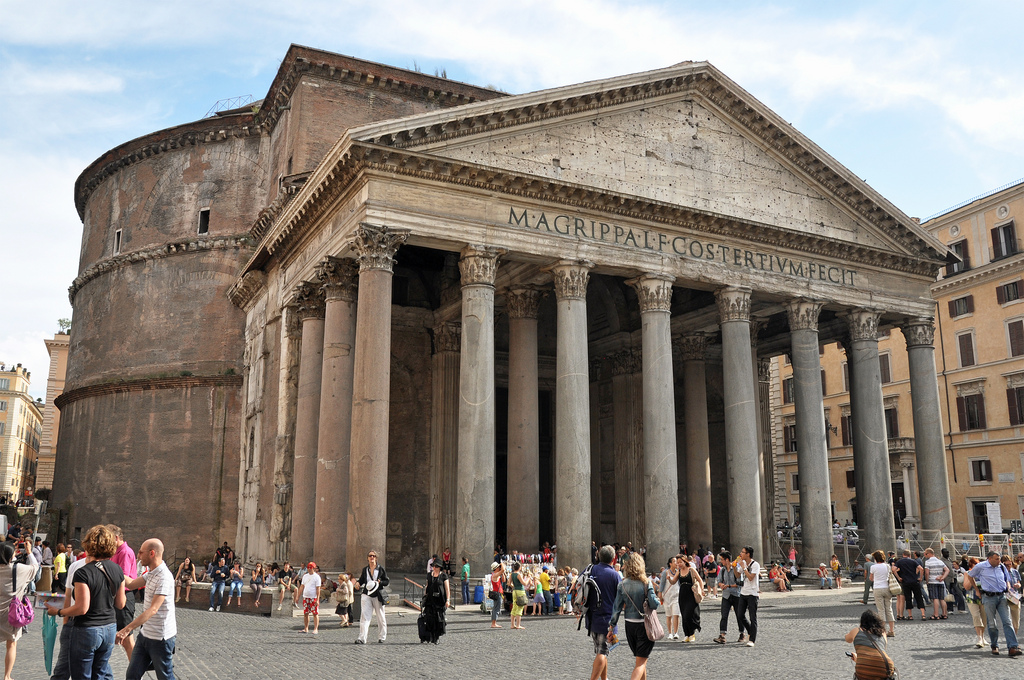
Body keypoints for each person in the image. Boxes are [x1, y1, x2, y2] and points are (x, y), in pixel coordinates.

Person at [45, 525, 127, 680]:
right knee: (100, 674)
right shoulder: (117, 569)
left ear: (89, 544)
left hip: (88, 629)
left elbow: (82, 608)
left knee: (82, 675)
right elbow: (121, 603)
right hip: (109, 628)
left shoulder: (82, 572)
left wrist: (58, 612)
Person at [116, 538, 176, 680]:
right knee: (132, 675)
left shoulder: (164, 577)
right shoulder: (151, 573)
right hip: (145, 635)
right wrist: (113, 570)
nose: (138, 555)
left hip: (161, 638)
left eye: (141, 552)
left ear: (152, 553)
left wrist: (126, 629)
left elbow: (153, 610)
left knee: (165, 677)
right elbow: (130, 584)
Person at [608, 554, 660, 680]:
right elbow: (654, 604)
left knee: (640, 660)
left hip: (629, 625)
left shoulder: (622, 584)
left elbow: (617, 608)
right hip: (644, 624)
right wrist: (656, 599)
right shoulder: (646, 583)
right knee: (641, 663)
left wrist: (611, 627)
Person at [968, 550, 1020, 656]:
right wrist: (977, 590)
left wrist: (1009, 589)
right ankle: (994, 645)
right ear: (989, 558)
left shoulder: (1001, 566)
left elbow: (1007, 579)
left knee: (1007, 622)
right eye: (996, 559)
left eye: (999, 559)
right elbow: (970, 575)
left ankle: (1012, 647)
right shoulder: (981, 566)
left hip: (1002, 596)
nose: (999, 561)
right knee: (992, 623)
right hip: (988, 597)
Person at [585, 545, 621, 680]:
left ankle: (604, 679)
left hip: (591, 618)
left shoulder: (590, 569)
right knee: (602, 652)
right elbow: (620, 597)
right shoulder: (614, 575)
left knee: (602, 650)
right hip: (607, 619)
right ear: (613, 558)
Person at [0, 543, 35, 680]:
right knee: (11, 643)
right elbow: (35, 567)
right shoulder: (18, 569)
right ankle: (7, 676)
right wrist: (29, 552)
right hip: (11, 613)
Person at [107, 525, 138, 661]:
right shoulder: (116, 552)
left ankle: (136, 672)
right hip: (116, 594)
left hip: (124, 596)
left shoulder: (125, 552)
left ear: (116, 538)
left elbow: (122, 577)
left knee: (127, 637)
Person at [844, 609, 895, 680]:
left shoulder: (857, 630)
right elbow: (881, 651)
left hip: (864, 664)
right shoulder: (883, 632)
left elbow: (847, 639)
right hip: (886, 665)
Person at [354, 550, 389, 644]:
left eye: (373, 556)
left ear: (376, 558)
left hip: (378, 595)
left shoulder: (380, 569)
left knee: (380, 617)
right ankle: (362, 638)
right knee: (364, 616)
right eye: (370, 556)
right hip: (367, 594)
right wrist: (358, 583)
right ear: (367, 558)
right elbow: (362, 579)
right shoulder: (365, 569)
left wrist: (380, 582)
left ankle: (382, 637)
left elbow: (386, 581)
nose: (371, 557)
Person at [673, 551, 704, 642]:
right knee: (683, 614)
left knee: (689, 614)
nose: (678, 564)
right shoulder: (678, 571)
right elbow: (673, 582)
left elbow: (700, 580)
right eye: (677, 562)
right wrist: (668, 578)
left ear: (685, 561)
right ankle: (687, 634)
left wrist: (701, 590)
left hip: (691, 594)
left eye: (680, 562)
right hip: (682, 595)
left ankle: (692, 633)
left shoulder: (691, 570)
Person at [714, 550, 744, 644]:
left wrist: (729, 586)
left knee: (739, 615)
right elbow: (718, 580)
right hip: (726, 595)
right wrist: (721, 584)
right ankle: (722, 635)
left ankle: (742, 633)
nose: (721, 561)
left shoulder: (737, 568)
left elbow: (740, 583)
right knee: (724, 615)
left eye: (722, 559)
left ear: (727, 560)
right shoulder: (722, 570)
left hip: (736, 595)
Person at [733, 546, 759, 647]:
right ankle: (750, 631)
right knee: (740, 615)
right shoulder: (742, 563)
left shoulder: (755, 564)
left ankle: (752, 640)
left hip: (752, 593)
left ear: (748, 554)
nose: (741, 554)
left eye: (743, 552)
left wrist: (744, 567)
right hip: (743, 593)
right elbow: (737, 575)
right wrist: (734, 567)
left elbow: (751, 578)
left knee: (753, 617)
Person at [419, 560, 450, 643]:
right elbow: (427, 586)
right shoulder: (429, 575)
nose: (434, 568)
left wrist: (448, 600)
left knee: (438, 619)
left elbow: (447, 589)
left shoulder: (444, 576)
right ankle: (431, 636)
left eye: (436, 566)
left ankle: (436, 637)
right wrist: (424, 598)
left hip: (439, 601)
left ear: (439, 568)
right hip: (430, 600)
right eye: (433, 566)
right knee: (429, 618)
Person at [869, 549, 895, 637]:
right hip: (887, 588)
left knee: (881, 610)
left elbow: (871, 578)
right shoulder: (887, 566)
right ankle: (891, 630)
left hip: (877, 588)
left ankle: (882, 630)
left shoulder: (873, 567)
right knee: (889, 609)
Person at [962, 556, 988, 648]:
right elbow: (966, 587)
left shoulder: (983, 573)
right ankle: (979, 638)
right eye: (975, 564)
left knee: (984, 618)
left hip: (984, 598)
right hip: (972, 598)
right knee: (976, 616)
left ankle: (983, 636)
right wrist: (971, 578)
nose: (977, 566)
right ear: (971, 565)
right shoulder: (967, 573)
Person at [893, 549, 925, 621]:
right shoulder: (913, 561)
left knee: (908, 598)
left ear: (903, 555)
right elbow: (921, 569)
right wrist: (920, 577)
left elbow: (893, 569)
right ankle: (923, 614)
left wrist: (898, 577)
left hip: (905, 582)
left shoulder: (899, 562)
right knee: (919, 597)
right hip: (914, 581)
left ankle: (910, 616)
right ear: (909, 555)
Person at [921, 548, 949, 620]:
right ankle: (944, 614)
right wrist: (943, 577)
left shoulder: (928, 562)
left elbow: (927, 573)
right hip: (941, 582)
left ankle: (936, 614)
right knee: (942, 598)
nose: (925, 555)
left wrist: (927, 581)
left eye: (925, 554)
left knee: (935, 598)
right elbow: (947, 570)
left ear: (929, 553)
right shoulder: (940, 561)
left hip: (932, 581)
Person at [660, 557, 680, 640]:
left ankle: (676, 632)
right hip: (667, 596)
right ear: (670, 564)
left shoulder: (678, 572)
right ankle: (670, 633)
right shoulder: (665, 572)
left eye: (676, 561)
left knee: (676, 614)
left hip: (676, 595)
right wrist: (660, 594)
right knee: (668, 615)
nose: (676, 563)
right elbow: (662, 584)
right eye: (674, 561)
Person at [299, 561, 321, 634]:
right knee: (306, 613)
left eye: (310, 568)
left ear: (313, 568)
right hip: (306, 597)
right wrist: (298, 596)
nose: (309, 569)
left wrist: (317, 599)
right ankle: (306, 628)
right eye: (308, 567)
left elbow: (318, 589)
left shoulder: (317, 577)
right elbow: (302, 586)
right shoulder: (305, 576)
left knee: (315, 613)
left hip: (313, 597)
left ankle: (315, 628)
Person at [1002, 553, 1021, 633]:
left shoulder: (1015, 572)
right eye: (1006, 565)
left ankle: (1015, 636)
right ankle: (1010, 637)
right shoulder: (1000, 573)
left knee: (1016, 619)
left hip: (1014, 596)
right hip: (1004, 596)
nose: (1009, 566)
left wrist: (1018, 585)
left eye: (1010, 564)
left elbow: (1019, 583)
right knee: (1007, 619)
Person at [509, 562, 530, 630]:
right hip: (520, 591)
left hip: (514, 591)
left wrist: (513, 586)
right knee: (520, 607)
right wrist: (528, 579)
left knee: (514, 607)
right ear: (519, 568)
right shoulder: (518, 575)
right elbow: (524, 583)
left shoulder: (511, 574)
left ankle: (512, 624)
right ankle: (518, 625)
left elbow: (509, 583)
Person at [488, 562, 505, 628]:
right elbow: (503, 570)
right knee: (496, 608)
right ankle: (493, 623)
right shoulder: (495, 575)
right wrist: (502, 564)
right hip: (497, 593)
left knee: (496, 608)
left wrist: (503, 573)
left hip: (498, 593)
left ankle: (494, 622)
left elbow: (503, 580)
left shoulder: (496, 575)